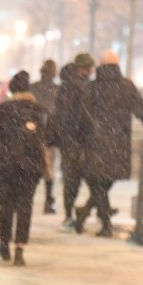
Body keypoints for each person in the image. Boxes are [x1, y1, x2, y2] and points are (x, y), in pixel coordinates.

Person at [77, 50, 143, 237]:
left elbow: (83, 116)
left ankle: (101, 221)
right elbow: (140, 107)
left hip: (96, 142)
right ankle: (89, 214)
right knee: (103, 183)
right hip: (118, 143)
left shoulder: (93, 87)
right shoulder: (126, 86)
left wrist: (84, 135)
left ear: (100, 66)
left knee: (98, 183)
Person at [0, 71, 49, 266]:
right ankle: (20, 248)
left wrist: (7, 135)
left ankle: (4, 244)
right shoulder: (39, 109)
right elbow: (52, 133)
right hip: (31, 164)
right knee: (25, 205)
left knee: (6, 204)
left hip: (8, 162)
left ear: (12, 89)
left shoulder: (6, 108)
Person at [54, 53, 95, 230]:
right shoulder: (71, 86)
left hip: (76, 139)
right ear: (80, 68)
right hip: (74, 139)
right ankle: (70, 214)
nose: (89, 71)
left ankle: (82, 211)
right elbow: (66, 115)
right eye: (87, 68)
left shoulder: (73, 85)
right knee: (73, 179)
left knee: (79, 178)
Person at [30, 59, 60, 214]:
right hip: (50, 135)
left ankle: (28, 198)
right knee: (49, 169)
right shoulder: (57, 90)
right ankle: (49, 200)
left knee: (34, 167)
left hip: (33, 134)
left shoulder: (33, 88)